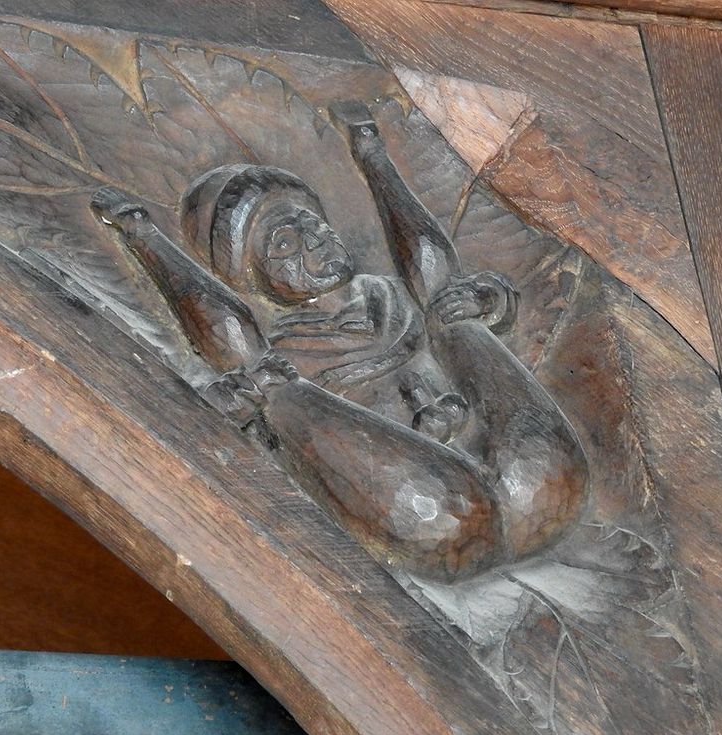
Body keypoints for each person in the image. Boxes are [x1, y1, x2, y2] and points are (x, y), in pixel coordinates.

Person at [90, 105, 587, 581]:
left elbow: (447, 281)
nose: (313, 242)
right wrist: (142, 236)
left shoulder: (394, 296)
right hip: (429, 503)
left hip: (509, 466)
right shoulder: (288, 357)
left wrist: (481, 301)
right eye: (283, 245)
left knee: (543, 476)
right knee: (445, 518)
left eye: (312, 224)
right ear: (253, 281)